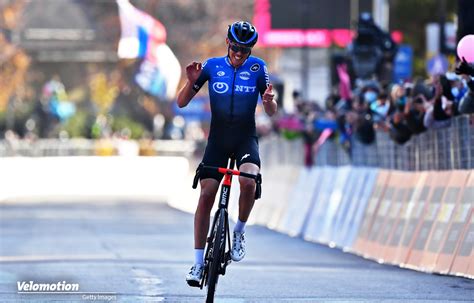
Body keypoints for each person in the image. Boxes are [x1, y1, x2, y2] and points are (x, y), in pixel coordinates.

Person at [177, 21, 277, 287]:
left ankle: (240, 231)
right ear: (227, 44)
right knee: (206, 194)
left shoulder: (258, 68)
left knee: (248, 182)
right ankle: (198, 264)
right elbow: (181, 102)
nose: (239, 54)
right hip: (218, 139)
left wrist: (269, 102)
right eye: (235, 48)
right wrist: (190, 82)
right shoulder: (211, 66)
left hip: (246, 137)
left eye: (245, 50)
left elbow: (271, 110)